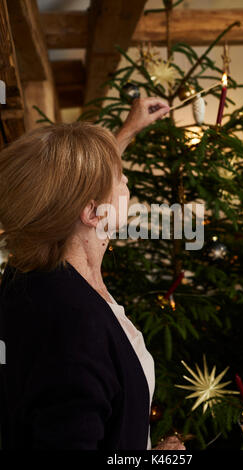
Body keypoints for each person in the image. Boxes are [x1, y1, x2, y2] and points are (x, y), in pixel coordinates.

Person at [0, 96, 185, 451]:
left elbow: (56, 188)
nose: (126, 179)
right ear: (92, 212)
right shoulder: (74, 328)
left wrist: (128, 131)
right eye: (120, 178)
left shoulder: (28, 269)